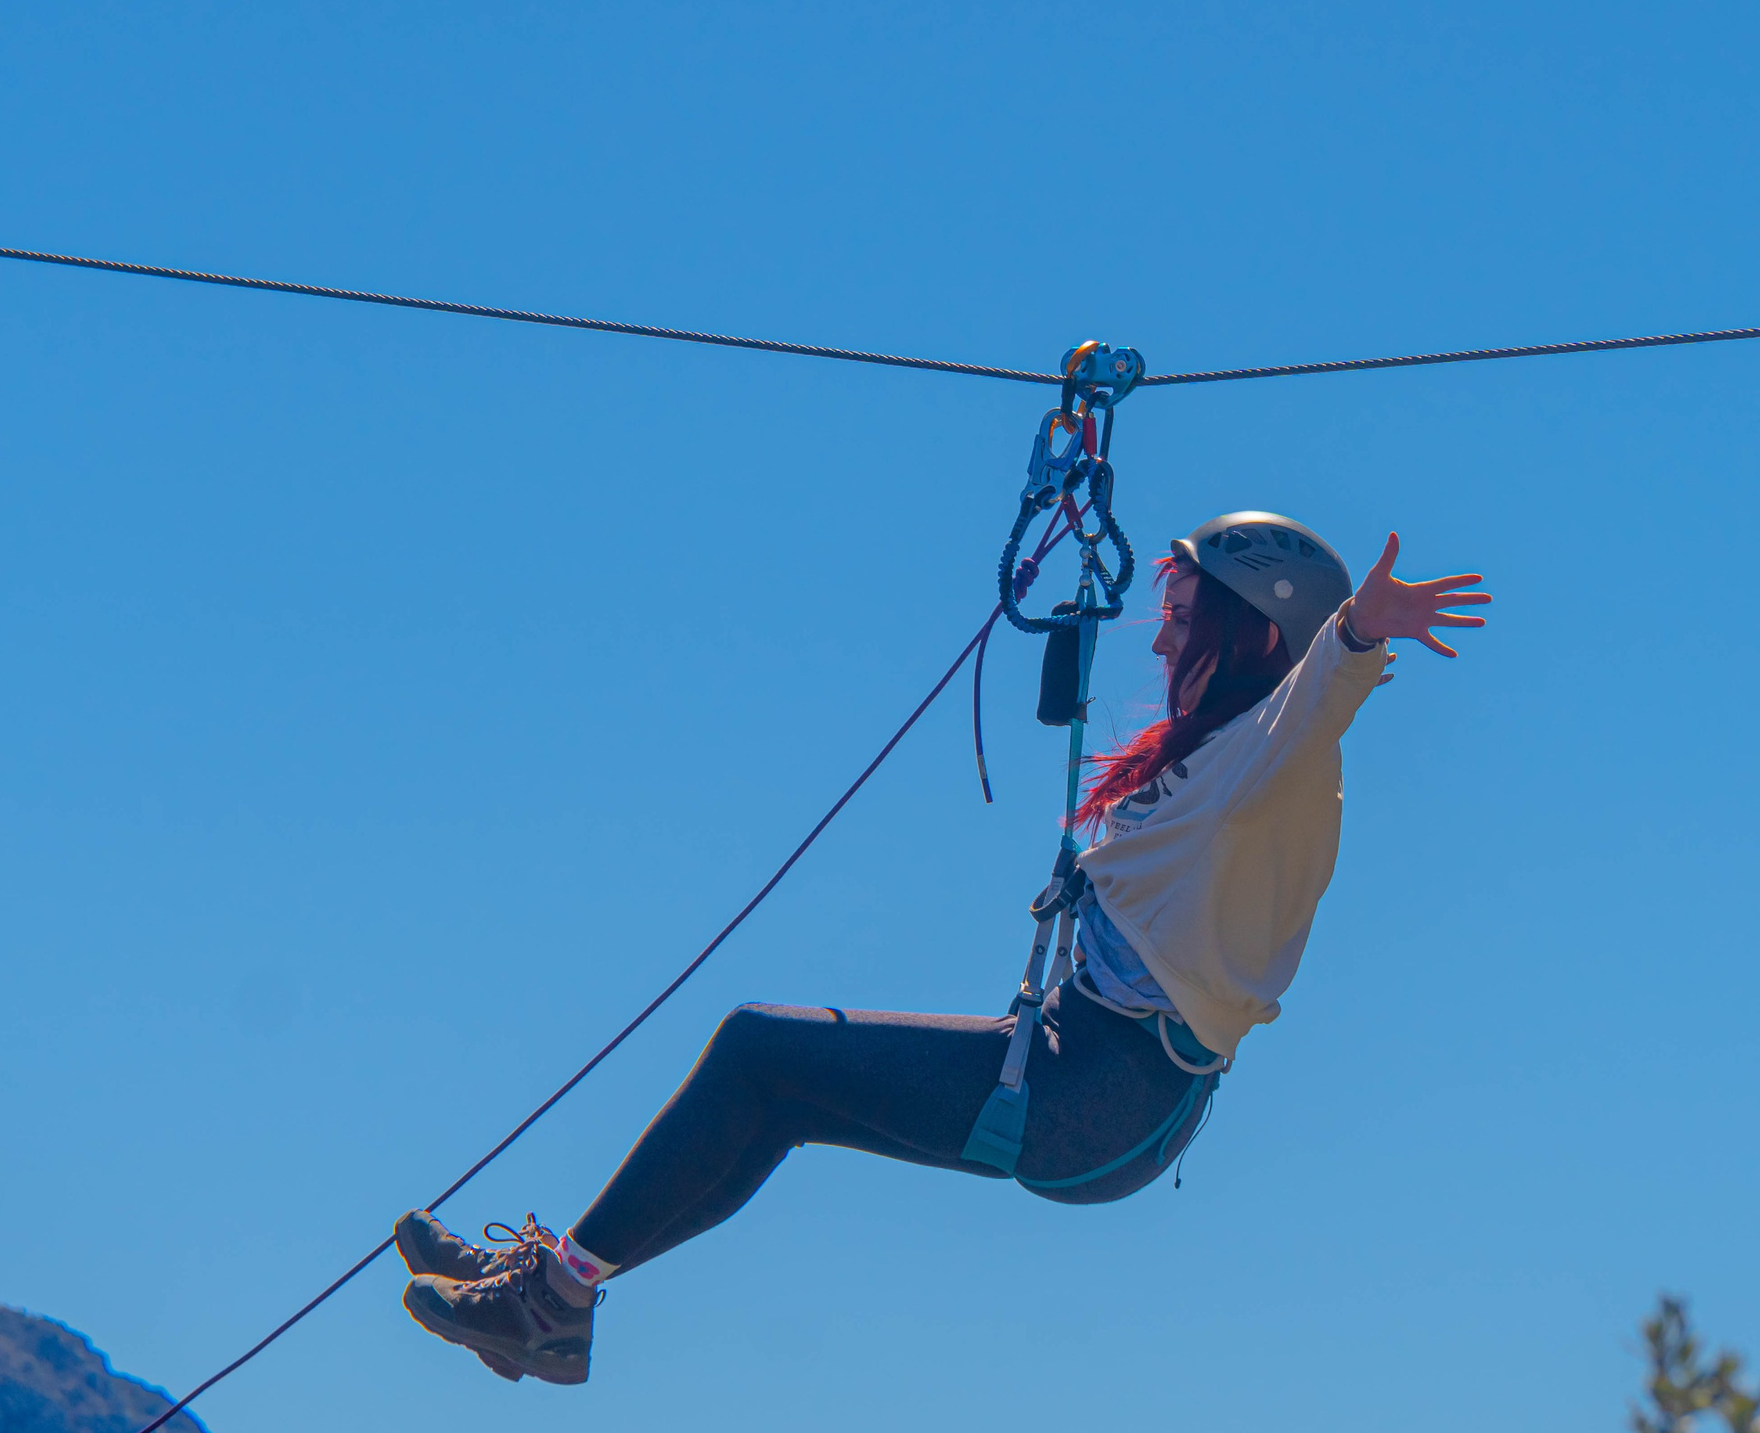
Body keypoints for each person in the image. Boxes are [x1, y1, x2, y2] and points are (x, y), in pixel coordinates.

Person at [393, 512, 1491, 1384]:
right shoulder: (1209, 766)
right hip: (1090, 1081)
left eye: (1182, 613)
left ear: (1254, 635)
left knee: (755, 1046)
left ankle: (551, 1298)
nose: (1158, 636)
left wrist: (1353, 633)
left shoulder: (1276, 760)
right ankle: (558, 1299)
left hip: (1100, 1093)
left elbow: (1316, 706)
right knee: (780, 1096)